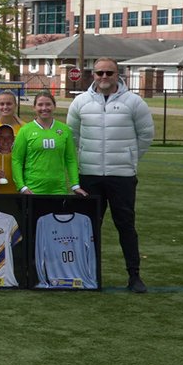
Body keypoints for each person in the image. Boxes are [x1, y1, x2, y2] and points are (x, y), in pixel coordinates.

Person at [68, 58, 154, 293]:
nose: (104, 77)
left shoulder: (134, 102)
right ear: (92, 74)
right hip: (89, 175)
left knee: (126, 225)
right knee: (88, 227)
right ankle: (86, 274)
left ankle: (134, 276)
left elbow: (146, 135)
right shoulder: (80, 102)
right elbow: (72, 137)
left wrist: (129, 159)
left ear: (118, 74)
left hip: (122, 176)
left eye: (109, 72)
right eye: (99, 73)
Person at [13, 91, 84, 197]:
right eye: (40, 105)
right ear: (34, 107)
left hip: (58, 189)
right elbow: (17, 160)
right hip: (33, 190)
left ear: (54, 106)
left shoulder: (64, 129)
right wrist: (22, 186)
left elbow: (71, 159)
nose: (44, 108)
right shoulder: (25, 130)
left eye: (48, 104)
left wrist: (75, 185)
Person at [0, 124, 18, 195]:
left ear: (13, 139)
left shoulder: (18, 157)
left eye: (9, 137)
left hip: (15, 196)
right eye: (1, 137)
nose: (5, 140)